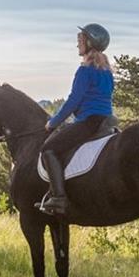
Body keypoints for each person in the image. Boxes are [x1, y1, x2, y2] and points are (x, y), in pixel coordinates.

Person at [37, 23, 116, 217]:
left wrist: (53, 122)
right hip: (107, 121)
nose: (77, 44)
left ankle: (59, 198)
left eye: (80, 40)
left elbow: (74, 101)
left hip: (89, 122)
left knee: (48, 149)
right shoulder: (107, 71)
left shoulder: (85, 71)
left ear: (90, 43)